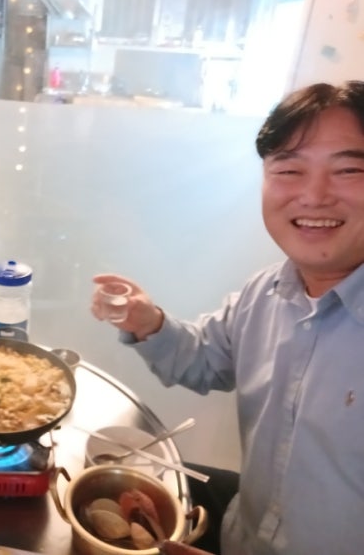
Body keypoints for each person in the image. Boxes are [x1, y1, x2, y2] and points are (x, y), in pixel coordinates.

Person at [91, 80, 364, 555]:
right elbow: (204, 360)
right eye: (289, 170)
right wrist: (147, 321)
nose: (314, 195)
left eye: (349, 170)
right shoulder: (267, 292)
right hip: (243, 533)